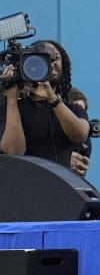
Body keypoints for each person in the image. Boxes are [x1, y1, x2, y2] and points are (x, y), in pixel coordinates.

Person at [1, 39, 90, 177]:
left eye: (56, 58)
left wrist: (52, 98)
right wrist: (11, 98)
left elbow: (80, 135)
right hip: (25, 190)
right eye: (44, 57)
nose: (52, 62)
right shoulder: (11, 109)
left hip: (64, 191)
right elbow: (14, 151)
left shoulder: (73, 108)